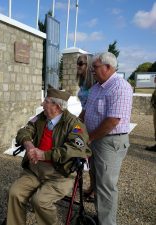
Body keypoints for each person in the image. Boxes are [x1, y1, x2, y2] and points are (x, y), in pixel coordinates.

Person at [4, 86, 91, 225]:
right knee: (14, 193)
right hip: (35, 170)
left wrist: (45, 155)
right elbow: (24, 131)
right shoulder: (41, 118)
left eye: (45, 101)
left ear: (56, 106)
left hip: (60, 175)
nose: (41, 104)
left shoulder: (74, 124)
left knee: (40, 201)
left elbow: (76, 149)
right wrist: (29, 145)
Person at [83, 52, 133, 225]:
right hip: (96, 140)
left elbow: (113, 120)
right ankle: (101, 217)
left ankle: (107, 222)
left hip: (109, 142)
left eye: (95, 67)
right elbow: (87, 111)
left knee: (106, 187)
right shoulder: (97, 87)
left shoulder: (121, 87)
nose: (92, 71)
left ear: (108, 67)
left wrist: (90, 137)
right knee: (97, 181)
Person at [76, 54, 96, 202]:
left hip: (91, 124)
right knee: (88, 158)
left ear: (88, 65)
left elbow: (90, 107)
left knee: (94, 160)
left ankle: (95, 190)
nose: (78, 66)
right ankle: (92, 187)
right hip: (84, 122)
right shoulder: (83, 83)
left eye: (81, 63)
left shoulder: (95, 84)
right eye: (78, 63)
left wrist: (78, 120)